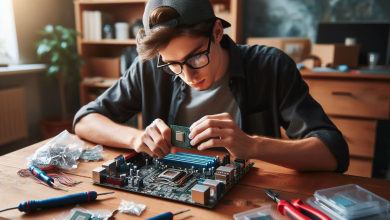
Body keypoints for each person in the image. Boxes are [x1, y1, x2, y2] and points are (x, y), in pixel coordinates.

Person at [73, 0, 349, 173]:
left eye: (196, 57)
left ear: (217, 32)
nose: (188, 76)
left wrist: (251, 145)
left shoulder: (270, 66)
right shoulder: (150, 69)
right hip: (172, 188)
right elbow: (84, 121)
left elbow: (333, 152)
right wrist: (135, 139)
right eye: (172, 64)